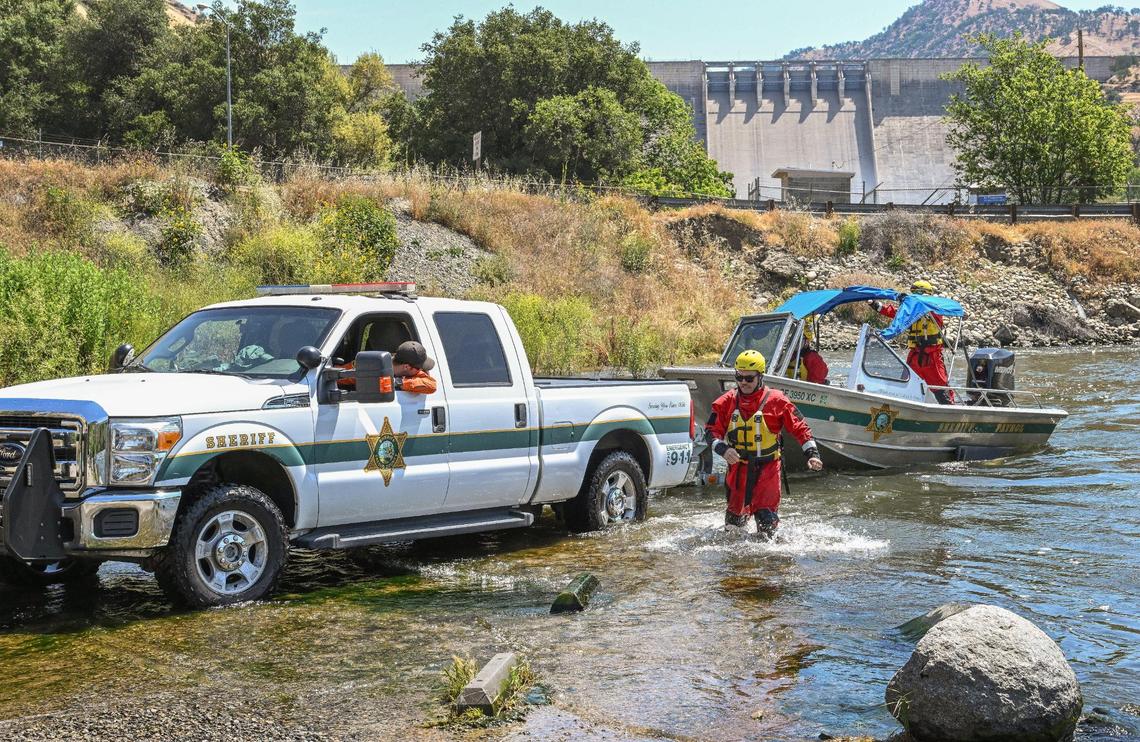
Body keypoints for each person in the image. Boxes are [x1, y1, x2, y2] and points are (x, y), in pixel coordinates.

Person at [706, 350, 823, 539]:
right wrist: (722, 448)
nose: (743, 382)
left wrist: (812, 454)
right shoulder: (727, 401)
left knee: (766, 527)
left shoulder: (777, 400)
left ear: (760, 377)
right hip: (738, 470)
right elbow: (710, 431)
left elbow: (800, 428)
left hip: (768, 469)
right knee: (733, 527)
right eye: (739, 377)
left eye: (749, 378)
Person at [869, 279, 953, 404]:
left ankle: (949, 409)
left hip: (932, 357)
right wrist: (876, 305)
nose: (915, 296)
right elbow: (896, 314)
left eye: (918, 294)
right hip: (914, 354)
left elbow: (927, 309)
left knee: (940, 387)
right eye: (914, 293)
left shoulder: (935, 309)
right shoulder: (912, 310)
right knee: (905, 382)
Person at [338, 340, 438, 395]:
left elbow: (431, 385)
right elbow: (337, 375)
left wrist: (397, 382)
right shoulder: (369, 366)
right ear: (406, 366)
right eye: (419, 368)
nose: (421, 370)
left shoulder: (414, 373)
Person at [784, 320, 829, 384]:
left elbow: (816, 384)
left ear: (807, 342)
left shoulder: (813, 358)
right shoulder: (788, 355)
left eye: (799, 339)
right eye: (793, 338)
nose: (795, 341)